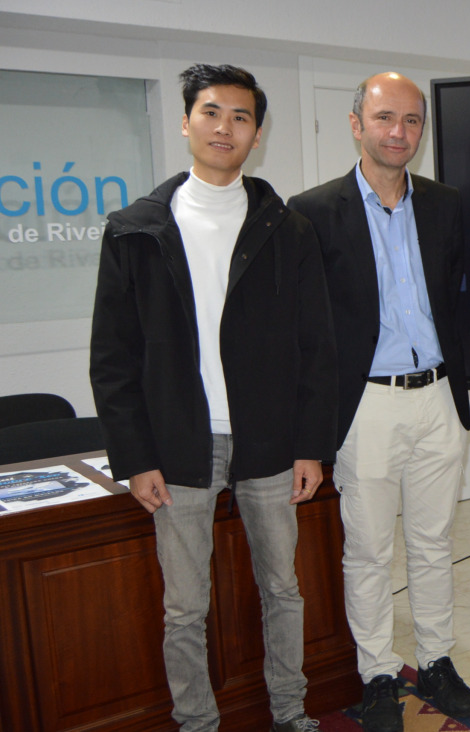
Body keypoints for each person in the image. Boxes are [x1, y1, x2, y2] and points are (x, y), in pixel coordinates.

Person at [89, 63, 336, 732]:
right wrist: (135, 457)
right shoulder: (136, 229)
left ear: (257, 134)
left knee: (283, 589)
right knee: (184, 607)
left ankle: (290, 712)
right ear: (186, 122)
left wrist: (311, 446)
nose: (225, 127)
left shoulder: (287, 229)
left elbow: (317, 346)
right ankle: (196, 723)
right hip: (177, 446)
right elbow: (112, 357)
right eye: (211, 112)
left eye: (240, 117)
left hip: (271, 442)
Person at [287, 72, 470, 729]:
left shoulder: (446, 204)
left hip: (438, 399)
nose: (399, 132)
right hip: (365, 406)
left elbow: (459, 298)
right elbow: (305, 329)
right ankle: (377, 674)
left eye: (412, 120)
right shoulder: (311, 211)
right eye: (385, 118)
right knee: (368, 551)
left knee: (433, 541)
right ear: (356, 125)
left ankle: (436, 660)